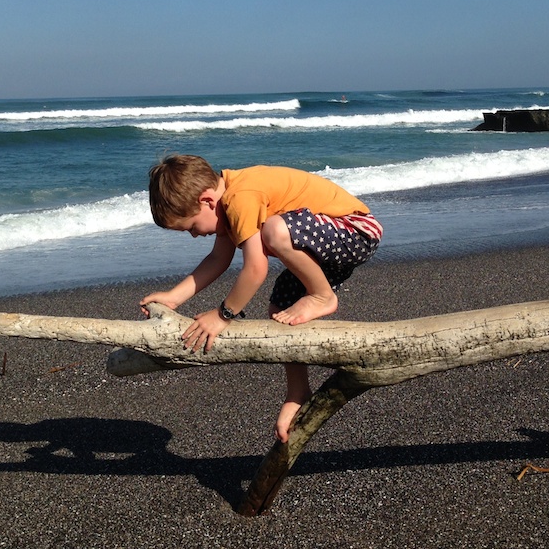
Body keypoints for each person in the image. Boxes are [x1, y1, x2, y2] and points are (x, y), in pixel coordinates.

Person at [140, 154, 382, 442]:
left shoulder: (240, 197)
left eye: (191, 227)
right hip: (327, 244)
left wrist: (223, 316)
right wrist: (172, 298)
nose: (194, 235)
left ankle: (321, 295)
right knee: (280, 307)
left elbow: (256, 268)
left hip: (356, 230)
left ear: (207, 201)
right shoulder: (226, 201)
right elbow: (218, 259)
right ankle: (298, 391)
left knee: (274, 231)